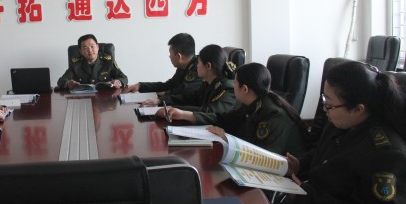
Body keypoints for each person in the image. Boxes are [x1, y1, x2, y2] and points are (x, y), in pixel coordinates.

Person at [274, 61, 406, 204]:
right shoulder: (340, 122)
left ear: (358, 109)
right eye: (324, 99)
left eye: (329, 103)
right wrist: (300, 165)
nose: (324, 108)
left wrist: (305, 196)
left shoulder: (386, 153)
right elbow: (322, 153)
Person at [164, 62, 307, 157]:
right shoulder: (255, 103)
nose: (233, 87)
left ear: (245, 89)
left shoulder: (273, 114)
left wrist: (227, 139)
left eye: (235, 83)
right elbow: (225, 118)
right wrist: (186, 115)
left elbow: (262, 155)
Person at [152, 44, 237, 113]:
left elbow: (209, 111)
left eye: (199, 62)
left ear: (208, 66)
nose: (197, 66)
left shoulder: (227, 89)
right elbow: (191, 98)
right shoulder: (207, 83)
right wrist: (162, 101)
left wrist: (175, 110)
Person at [126, 33, 201, 98]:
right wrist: (140, 86)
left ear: (179, 56)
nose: (169, 56)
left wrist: (165, 94)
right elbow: (168, 85)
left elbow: (185, 91)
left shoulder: (199, 68)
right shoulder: (183, 66)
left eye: (170, 53)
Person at [57, 34, 128, 89]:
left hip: (105, 98)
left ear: (97, 47)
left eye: (92, 46)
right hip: (83, 98)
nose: (90, 50)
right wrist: (68, 83)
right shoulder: (76, 64)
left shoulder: (108, 61)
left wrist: (118, 82)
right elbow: (61, 81)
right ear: (80, 51)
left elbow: (124, 78)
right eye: (85, 48)